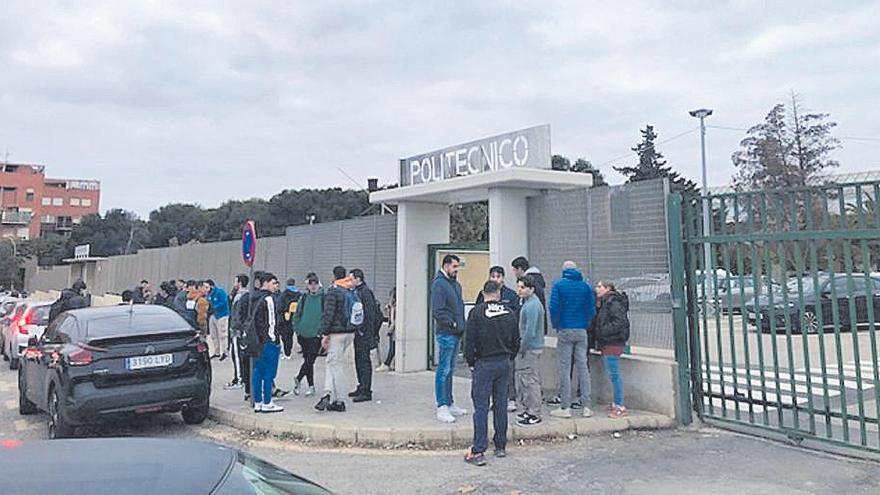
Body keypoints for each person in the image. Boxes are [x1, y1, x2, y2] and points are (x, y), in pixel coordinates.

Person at [463, 281, 520, 467]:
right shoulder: (509, 313)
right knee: (500, 404)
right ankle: (500, 445)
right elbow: (516, 340)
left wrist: (471, 362)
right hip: (504, 362)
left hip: (484, 363)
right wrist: (509, 357)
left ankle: (479, 448)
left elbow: (469, 341)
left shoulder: (476, 313)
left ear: (483, 293)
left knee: (481, 407)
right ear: (498, 293)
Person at [549, 261, 596, 419]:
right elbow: (591, 309)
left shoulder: (558, 285)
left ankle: (565, 407)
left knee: (564, 368)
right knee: (583, 367)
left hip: (565, 329)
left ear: (564, 271)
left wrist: (557, 325)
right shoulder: (586, 286)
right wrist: (584, 323)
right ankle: (587, 406)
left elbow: (554, 308)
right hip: (581, 330)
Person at [475, 266, 521, 413]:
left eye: (498, 276)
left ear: (503, 278)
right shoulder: (483, 295)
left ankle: (511, 398)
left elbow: (515, 318)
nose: (496, 279)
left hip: (505, 343)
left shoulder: (511, 295)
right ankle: (491, 400)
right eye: (493, 276)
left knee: (509, 374)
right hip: (487, 344)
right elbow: (476, 316)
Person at [431, 254, 468, 423]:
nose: (456, 270)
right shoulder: (439, 284)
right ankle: (442, 405)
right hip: (446, 333)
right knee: (443, 370)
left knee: (450, 370)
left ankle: (450, 402)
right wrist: (452, 324)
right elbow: (438, 311)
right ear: (446, 266)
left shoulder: (455, 285)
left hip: (456, 332)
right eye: (454, 267)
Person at [315, 266, 357, 413]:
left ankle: (340, 400)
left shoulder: (333, 291)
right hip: (350, 332)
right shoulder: (350, 290)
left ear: (334, 276)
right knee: (331, 362)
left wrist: (324, 334)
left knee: (336, 365)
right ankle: (327, 393)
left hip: (336, 334)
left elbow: (329, 314)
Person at [593, 281, 630, 419]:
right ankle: (616, 403)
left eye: (599, 286)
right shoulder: (605, 301)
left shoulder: (612, 302)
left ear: (607, 288)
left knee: (614, 374)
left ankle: (620, 406)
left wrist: (603, 331)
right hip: (610, 341)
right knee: (612, 373)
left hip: (613, 342)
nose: (597, 289)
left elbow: (620, 322)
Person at [515, 275, 546, 427]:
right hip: (529, 347)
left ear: (531, 289)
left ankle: (535, 412)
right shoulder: (528, 303)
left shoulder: (533, 305)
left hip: (531, 348)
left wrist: (521, 347)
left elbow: (530, 331)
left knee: (531, 381)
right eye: (519, 287)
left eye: (523, 287)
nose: (519, 290)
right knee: (525, 380)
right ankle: (529, 409)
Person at [251, 273, 284, 413]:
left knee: (257, 371)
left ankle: (257, 401)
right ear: (266, 283)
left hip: (256, 341)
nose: (275, 286)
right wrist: (274, 339)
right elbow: (272, 322)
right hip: (267, 341)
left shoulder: (253, 297)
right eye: (273, 282)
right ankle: (267, 402)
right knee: (269, 372)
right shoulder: (269, 299)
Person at [348, 268, 380, 403]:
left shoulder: (365, 293)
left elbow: (370, 314)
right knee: (358, 360)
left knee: (364, 361)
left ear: (358, 279)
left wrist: (367, 331)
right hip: (358, 332)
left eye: (352, 279)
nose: (350, 282)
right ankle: (361, 385)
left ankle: (366, 390)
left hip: (364, 333)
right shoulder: (357, 292)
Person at [292, 273, 323, 396]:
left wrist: (322, 331)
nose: (313, 286)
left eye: (315, 283)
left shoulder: (323, 297)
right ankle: (311, 386)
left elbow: (325, 315)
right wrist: (297, 329)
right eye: (311, 284)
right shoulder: (304, 298)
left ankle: (299, 378)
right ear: (307, 286)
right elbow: (297, 314)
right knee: (307, 360)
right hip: (303, 334)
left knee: (310, 360)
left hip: (316, 335)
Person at [225, 274, 249, 390]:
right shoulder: (242, 295)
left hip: (237, 331)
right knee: (238, 355)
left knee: (237, 356)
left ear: (239, 282)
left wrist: (235, 328)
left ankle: (239, 379)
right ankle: (241, 378)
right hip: (239, 329)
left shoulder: (240, 297)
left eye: (235, 281)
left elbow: (237, 315)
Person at [278, 278, 302, 360]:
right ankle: (289, 352)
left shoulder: (284, 294)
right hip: (294, 317)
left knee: (285, 336)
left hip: (285, 317)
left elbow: (280, 306)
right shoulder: (299, 294)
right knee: (290, 335)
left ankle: (286, 352)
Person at [206, 280, 230, 361]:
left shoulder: (220, 292)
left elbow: (224, 302)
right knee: (213, 334)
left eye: (207, 287)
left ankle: (224, 351)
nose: (206, 289)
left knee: (222, 334)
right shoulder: (208, 295)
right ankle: (217, 351)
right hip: (212, 315)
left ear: (211, 286)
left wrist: (215, 306)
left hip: (221, 315)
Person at [376, 287, 396, 372]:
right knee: (393, 347)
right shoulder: (392, 306)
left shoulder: (396, 307)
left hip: (394, 329)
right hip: (391, 327)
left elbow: (395, 320)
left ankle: (387, 364)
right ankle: (391, 363)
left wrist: (391, 328)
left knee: (393, 348)